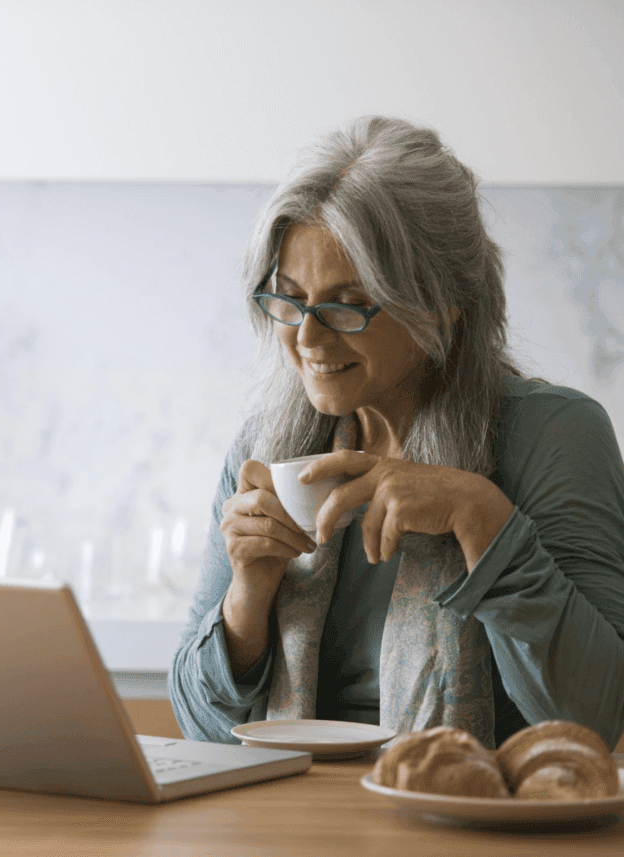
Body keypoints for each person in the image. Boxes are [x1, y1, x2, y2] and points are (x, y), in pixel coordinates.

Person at [168, 116, 624, 751]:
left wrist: (482, 520)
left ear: (439, 304)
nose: (307, 339)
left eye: (347, 303)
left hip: (469, 825)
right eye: (289, 299)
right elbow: (200, 727)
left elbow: (594, 719)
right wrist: (248, 596)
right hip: (291, 826)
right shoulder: (266, 446)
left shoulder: (555, 435)